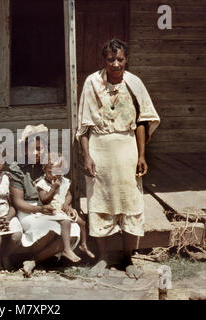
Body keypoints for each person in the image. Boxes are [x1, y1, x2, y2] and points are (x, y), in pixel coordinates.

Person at [76, 38, 160, 279]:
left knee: (130, 203)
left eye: (120, 59)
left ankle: (127, 258)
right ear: (104, 60)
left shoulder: (134, 83)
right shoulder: (92, 82)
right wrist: (87, 156)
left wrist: (141, 155)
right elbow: (84, 125)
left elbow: (143, 121)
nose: (115, 64)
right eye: (111, 59)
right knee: (99, 202)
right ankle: (102, 258)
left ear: (126, 60)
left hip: (127, 147)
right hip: (99, 147)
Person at [9, 124, 81, 277]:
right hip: (29, 209)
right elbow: (18, 202)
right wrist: (40, 209)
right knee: (49, 229)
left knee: (73, 231)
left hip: (53, 208)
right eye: (33, 148)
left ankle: (34, 261)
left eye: (40, 148)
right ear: (24, 149)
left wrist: (66, 205)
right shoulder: (18, 169)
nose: (37, 152)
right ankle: (45, 258)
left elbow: (65, 191)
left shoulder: (52, 165)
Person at [35, 152, 95, 262]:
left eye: (57, 172)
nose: (54, 175)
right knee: (66, 222)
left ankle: (83, 244)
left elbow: (68, 195)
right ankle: (67, 249)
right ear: (44, 168)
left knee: (82, 222)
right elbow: (44, 200)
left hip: (62, 209)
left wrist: (67, 205)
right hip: (50, 211)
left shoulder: (64, 181)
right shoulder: (41, 184)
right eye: (50, 172)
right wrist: (53, 189)